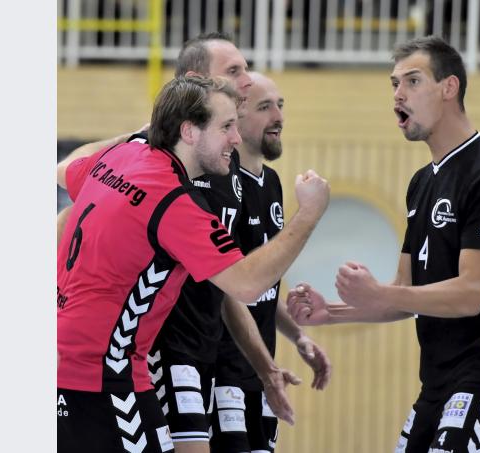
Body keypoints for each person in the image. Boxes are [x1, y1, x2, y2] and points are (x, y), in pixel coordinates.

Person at [286, 35, 480, 453]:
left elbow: (470, 294)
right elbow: (406, 294)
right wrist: (329, 312)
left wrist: (378, 291)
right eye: (393, 84)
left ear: (449, 87)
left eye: (412, 81)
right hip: (438, 384)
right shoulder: (422, 182)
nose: (398, 95)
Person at [57, 75, 330, 453]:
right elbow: (246, 284)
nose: (236, 139)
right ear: (188, 131)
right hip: (106, 380)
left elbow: (65, 168)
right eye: (226, 127)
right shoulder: (174, 202)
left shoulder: (120, 157)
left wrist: (137, 134)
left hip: (70, 372)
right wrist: (309, 214)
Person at [210, 73, 332, 453]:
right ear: (236, 115)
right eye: (265, 107)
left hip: (263, 373)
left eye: (281, 105)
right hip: (223, 371)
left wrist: (298, 335)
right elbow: (231, 286)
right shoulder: (219, 183)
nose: (278, 116)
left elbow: (258, 287)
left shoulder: (273, 182)